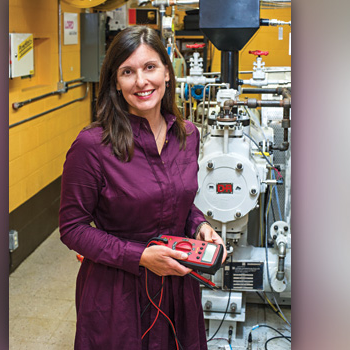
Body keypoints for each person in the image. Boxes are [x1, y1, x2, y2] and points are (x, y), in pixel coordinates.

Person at [59, 25, 226, 350]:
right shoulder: (93, 145)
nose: (141, 81)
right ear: (115, 83)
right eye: (127, 71)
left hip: (178, 285)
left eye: (150, 67)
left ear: (167, 71)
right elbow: (72, 228)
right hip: (117, 293)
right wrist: (140, 256)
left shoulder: (187, 135)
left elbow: (175, 198)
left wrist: (200, 225)